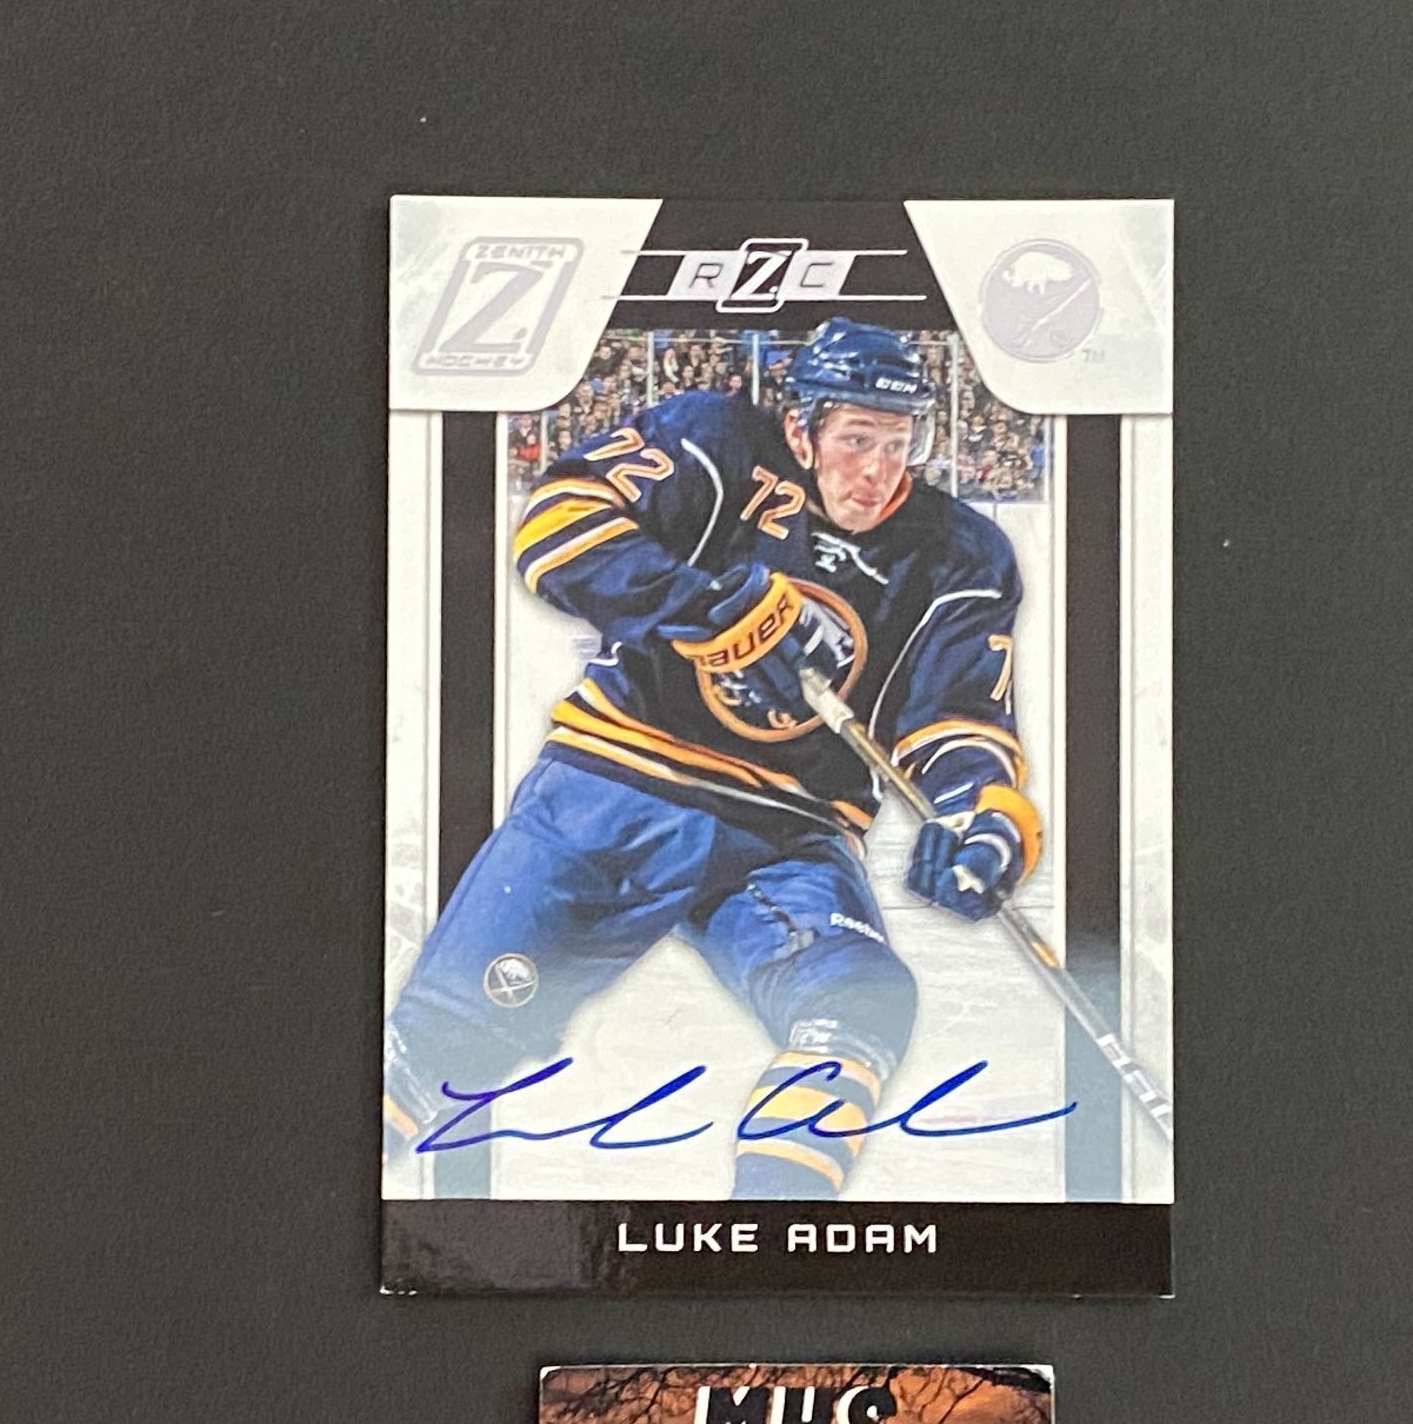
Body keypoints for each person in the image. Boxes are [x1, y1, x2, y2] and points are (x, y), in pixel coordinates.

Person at [383, 318, 1041, 1199]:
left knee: (861, 1000)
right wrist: (706, 607)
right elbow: (559, 527)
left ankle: (764, 1245)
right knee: (439, 1046)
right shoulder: (717, 440)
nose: (879, 471)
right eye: (856, 440)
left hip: (785, 836)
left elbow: (955, 718)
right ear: (801, 429)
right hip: (615, 791)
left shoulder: (961, 552)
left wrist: (981, 817)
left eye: (899, 443)